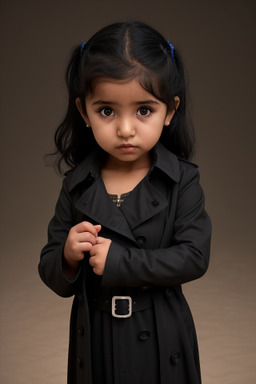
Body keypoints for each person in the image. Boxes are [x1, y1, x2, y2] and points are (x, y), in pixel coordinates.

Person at [38, 21, 211, 384]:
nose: (126, 129)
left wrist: (120, 261)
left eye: (144, 110)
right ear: (84, 112)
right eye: (107, 111)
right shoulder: (77, 184)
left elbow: (194, 257)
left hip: (160, 337)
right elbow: (50, 269)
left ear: (170, 110)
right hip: (96, 337)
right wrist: (68, 255)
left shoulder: (181, 180)